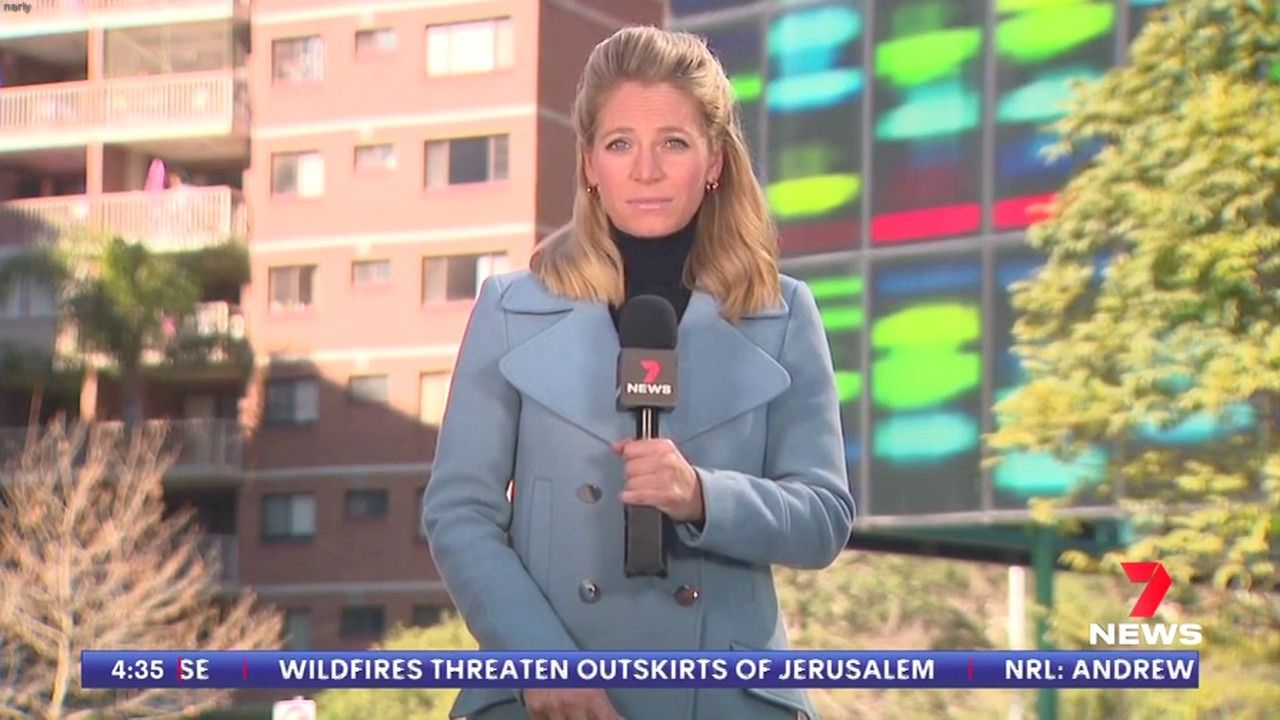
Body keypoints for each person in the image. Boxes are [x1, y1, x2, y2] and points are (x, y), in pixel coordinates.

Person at [421, 25, 854, 720]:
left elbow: (824, 517)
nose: (645, 170)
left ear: (714, 161)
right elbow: (458, 513)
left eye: (673, 143)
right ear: (590, 163)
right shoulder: (509, 309)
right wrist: (540, 660)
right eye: (621, 144)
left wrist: (703, 496)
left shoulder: (783, 314)